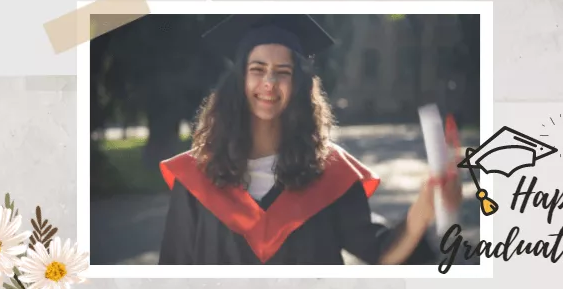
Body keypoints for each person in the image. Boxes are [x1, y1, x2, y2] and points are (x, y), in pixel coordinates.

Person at [157, 14, 463, 265]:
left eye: (283, 71)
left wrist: (424, 206)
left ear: (299, 85)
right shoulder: (196, 176)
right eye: (257, 69)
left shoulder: (331, 172)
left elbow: (380, 254)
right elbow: (173, 274)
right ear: (240, 81)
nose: (269, 82)